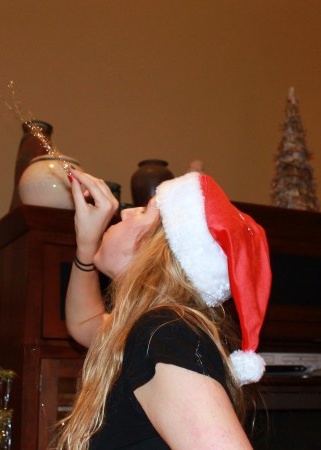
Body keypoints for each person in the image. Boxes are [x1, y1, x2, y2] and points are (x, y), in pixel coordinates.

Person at [54, 167, 272, 449]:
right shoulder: (149, 331)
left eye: (144, 211)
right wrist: (86, 245)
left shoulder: (166, 333)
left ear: (158, 251)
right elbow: (84, 323)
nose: (125, 213)